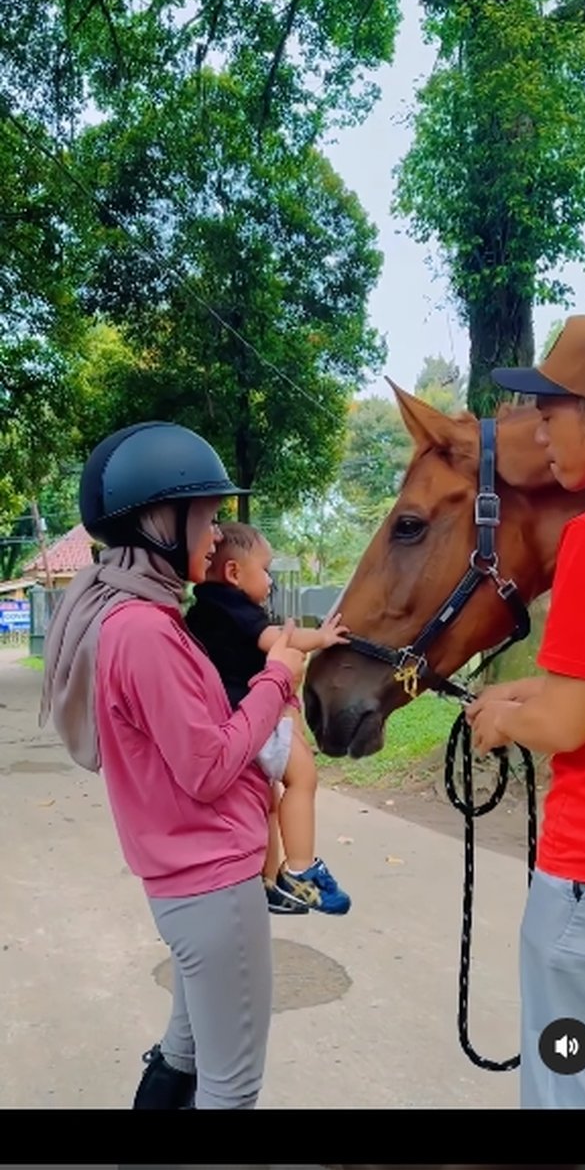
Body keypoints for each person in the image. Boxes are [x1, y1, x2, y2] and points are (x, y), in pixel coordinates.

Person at [39, 420, 306, 1111]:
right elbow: (208, 765)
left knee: (185, 1056)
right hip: (213, 884)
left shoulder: (132, 615)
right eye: (207, 516)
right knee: (230, 1087)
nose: (216, 534)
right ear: (162, 522)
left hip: (190, 885)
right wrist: (276, 678)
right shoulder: (146, 630)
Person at [464, 314, 585, 1110]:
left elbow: (569, 724)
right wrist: (520, 690)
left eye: (553, 411)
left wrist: (502, 720)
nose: (539, 430)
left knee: (572, 1089)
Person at [185, 520, 352, 914]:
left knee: (268, 802)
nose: (271, 581)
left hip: (226, 722)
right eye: (266, 570)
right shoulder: (234, 607)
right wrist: (322, 638)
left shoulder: (198, 613)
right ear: (233, 573)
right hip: (254, 716)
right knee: (303, 778)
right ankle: (300, 869)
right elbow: (278, 640)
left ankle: (267, 881)